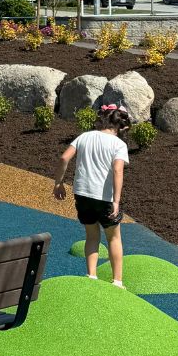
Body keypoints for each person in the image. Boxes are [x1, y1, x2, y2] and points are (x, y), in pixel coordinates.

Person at [53, 104, 132, 287]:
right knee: (113, 237)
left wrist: (58, 182)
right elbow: (118, 170)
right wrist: (116, 201)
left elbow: (64, 158)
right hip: (104, 197)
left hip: (82, 194)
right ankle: (117, 281)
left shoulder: (84, 136)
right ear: (120, 126)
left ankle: (92, 275)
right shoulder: (118, 144)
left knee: (92, 236)